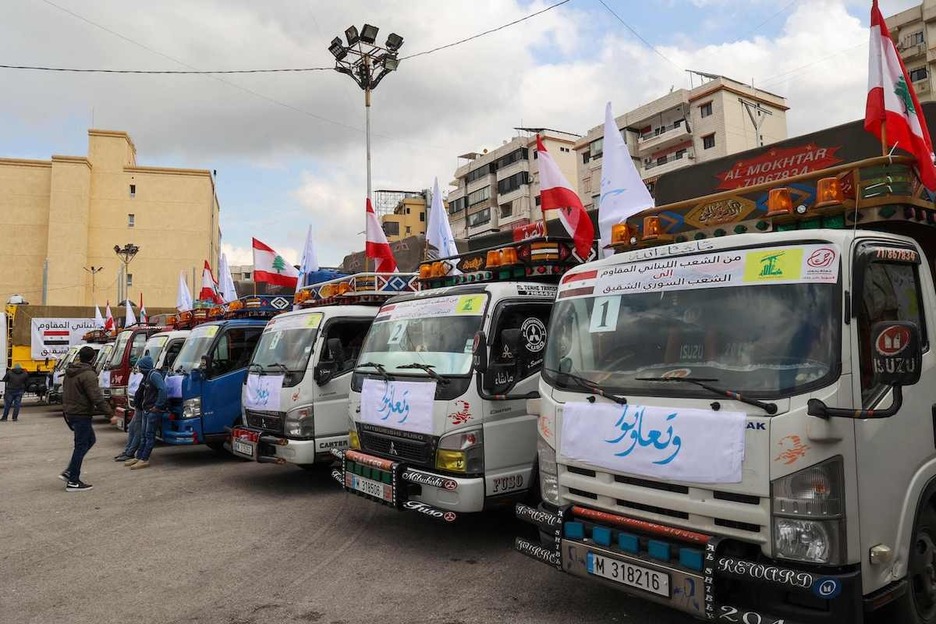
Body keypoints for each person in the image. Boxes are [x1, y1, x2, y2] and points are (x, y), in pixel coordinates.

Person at [61, 346, 113, 491]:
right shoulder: (88, 375)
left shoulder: (70, 373)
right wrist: (110, 414)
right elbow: (96, 397)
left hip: (71, 412)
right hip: (81, 414)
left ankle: (71, 470)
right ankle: (73, 480)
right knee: (81, 445)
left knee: (90, 440)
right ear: (93, 358)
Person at [125, 357, 167, 470]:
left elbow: (163, 389)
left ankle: (145, 459)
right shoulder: (147, 376)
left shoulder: (154, 375)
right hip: (146, 410)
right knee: (143, 435)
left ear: (144, 367)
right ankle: (139, 457)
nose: (139, 369)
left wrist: (157, 406)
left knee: (149, 436)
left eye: (140, 367)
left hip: (152, 411)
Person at [114, 356, 153, 462]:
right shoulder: (145, 377)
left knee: (137, 431)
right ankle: (127, 451)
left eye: (140, 366)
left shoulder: (151, 377)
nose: (138, 369)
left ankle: (130, 452)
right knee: (132, 428)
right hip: (138, 408)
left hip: (142, 408)